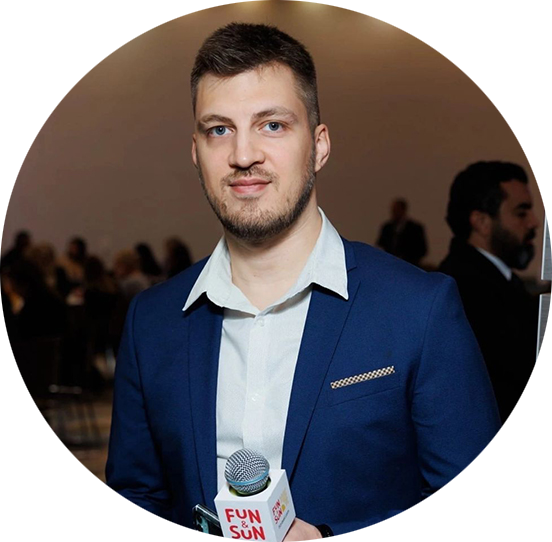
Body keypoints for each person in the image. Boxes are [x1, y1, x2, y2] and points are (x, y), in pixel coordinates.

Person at [106, 23, 500, 538]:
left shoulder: (418, 310)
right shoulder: (151, 322)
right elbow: (134, 502)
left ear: (319, 146)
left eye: (272, 125)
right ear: (196, 152)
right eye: (219, 130)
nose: (243, 155)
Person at [439, 161, 539, 424]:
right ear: (482, 222)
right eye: (521, 213)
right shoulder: (464, 292)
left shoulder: (500, 280)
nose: (534, 222)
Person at [376, 198, 427, 266]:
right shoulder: (387, 227)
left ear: (403, 210)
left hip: (409, 265)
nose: (394, 213)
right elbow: (381, 245)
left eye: (396, 210)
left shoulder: (415, 228)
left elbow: (422, 249)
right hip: (389, 264)